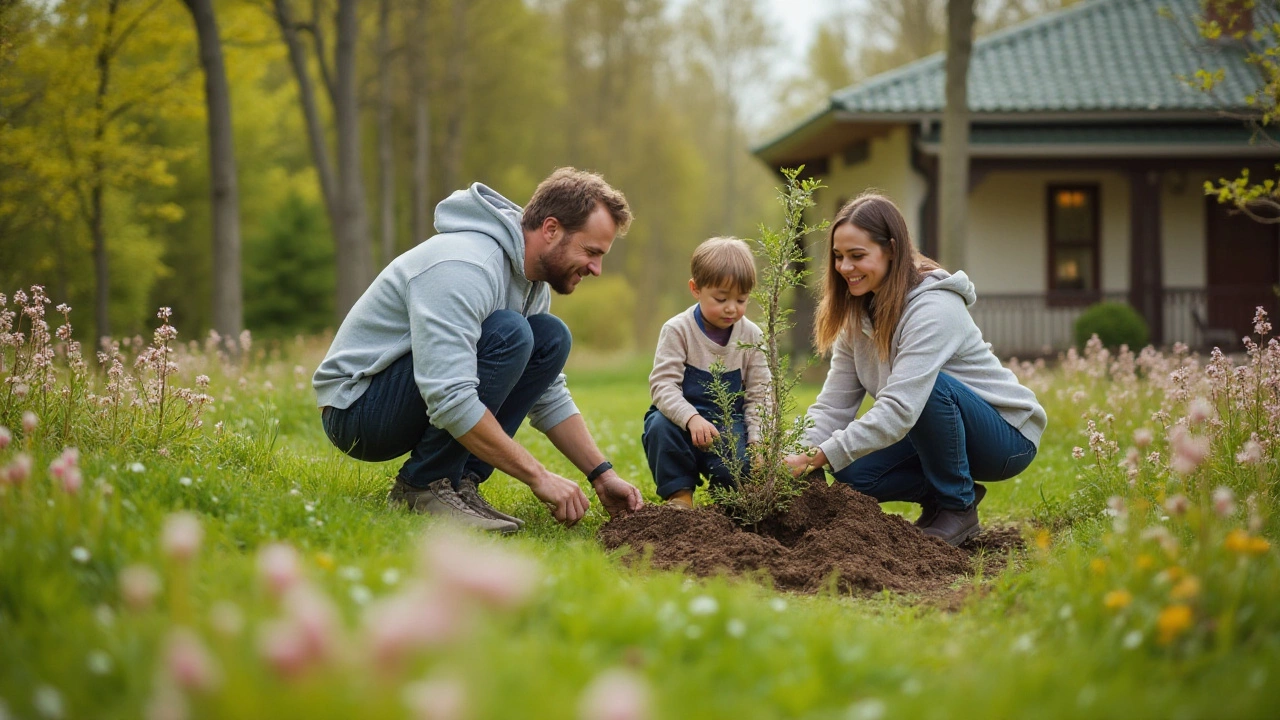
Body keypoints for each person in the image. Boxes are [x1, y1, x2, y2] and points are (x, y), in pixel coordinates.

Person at [313, 168, 644, 533]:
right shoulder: (466, 266)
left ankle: (457, 482)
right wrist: (538, 475)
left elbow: (546, 394)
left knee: (550, 337)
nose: (596, 268)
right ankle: (423, 487)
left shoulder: (532, 284)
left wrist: (600, 473)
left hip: (407, 397)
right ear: (550, 230)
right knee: (511, 334)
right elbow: (448, 394)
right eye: (591, 252)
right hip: (357, 409)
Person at [784, 193, 1046, 546]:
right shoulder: (857, 316)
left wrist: (817, 455)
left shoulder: (934, 308)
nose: (845, 267)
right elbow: (834, 406)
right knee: (850, 472)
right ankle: (945, 493)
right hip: (937, 429)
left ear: (891, 249)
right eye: (838, 257)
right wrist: (798, 453)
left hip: (1005, 437)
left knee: (930, 388)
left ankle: (958, 507)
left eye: (857, 256)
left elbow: (900, 409)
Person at [643, 237, 770, 509]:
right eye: (721, 298)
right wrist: (691, 419)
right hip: (681, 421)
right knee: (658, 427)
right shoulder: (678, 330)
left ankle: (726, 502)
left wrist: (758, 442)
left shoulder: (752, 336)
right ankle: (680, 496)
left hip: (728, 422)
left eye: (741, 299)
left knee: (738, 468)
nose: (731, 308)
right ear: (695, 289)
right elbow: (663, 385)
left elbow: (760, 395)